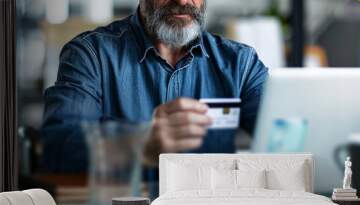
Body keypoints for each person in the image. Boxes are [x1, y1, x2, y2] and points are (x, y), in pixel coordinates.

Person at [41, 0, 268, 174]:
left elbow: (285, 141)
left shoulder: (241, 64)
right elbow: (59, 147)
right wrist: (140, 144)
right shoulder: (92, 55)